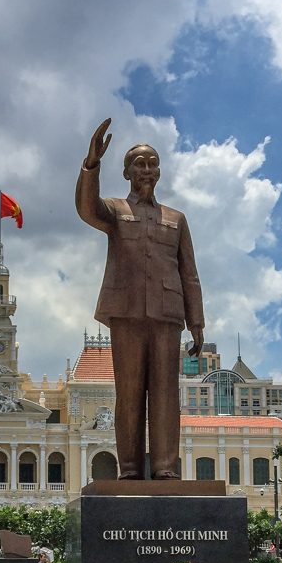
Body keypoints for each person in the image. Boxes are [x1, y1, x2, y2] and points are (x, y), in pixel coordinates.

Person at [76, 118, 205, 479]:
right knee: (129, 393)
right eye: (139, 164)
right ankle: (129, 470)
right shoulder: (115, 211)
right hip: (127, 312)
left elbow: (188, 271)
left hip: (167, 315)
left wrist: (196, 321)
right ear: (127, 172)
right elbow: (87, 209)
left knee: (165, 396)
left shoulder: (176, 219)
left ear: (159, 172)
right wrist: (91, 165)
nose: (146, 169)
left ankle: (165, 469)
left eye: (152, 164)